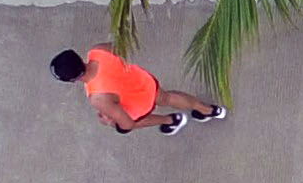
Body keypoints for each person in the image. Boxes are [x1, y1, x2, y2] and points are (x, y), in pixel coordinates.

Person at [52, 46, 222, 135]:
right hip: (145, 81)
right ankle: (209, 110)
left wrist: (111, 122)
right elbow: (120, 47)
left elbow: (127, 123)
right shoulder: (98, 51)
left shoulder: (97, 97)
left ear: (73, 80)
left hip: (139, 106)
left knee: (130, 121)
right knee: (169, 97)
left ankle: (171, 121)